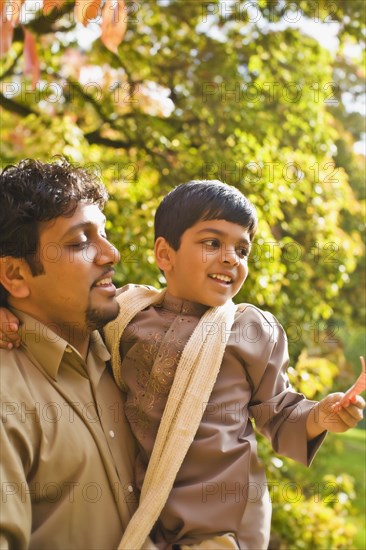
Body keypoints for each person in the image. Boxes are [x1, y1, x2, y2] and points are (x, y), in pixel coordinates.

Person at [2, 179, 364, 549]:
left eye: (242, 249)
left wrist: (320, 416)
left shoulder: (247, 330)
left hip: (219, 526)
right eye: (212, 243)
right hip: (152, 519)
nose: (230, 258)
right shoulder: (127, 316)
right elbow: (51, 312)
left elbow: (279, 411)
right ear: (164, 254)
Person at [0, 158, 151, 549]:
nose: (111, 254)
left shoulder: (133, 352)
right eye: (80, 242)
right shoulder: (7, 397)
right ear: (15, 275)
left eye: (104, 234)